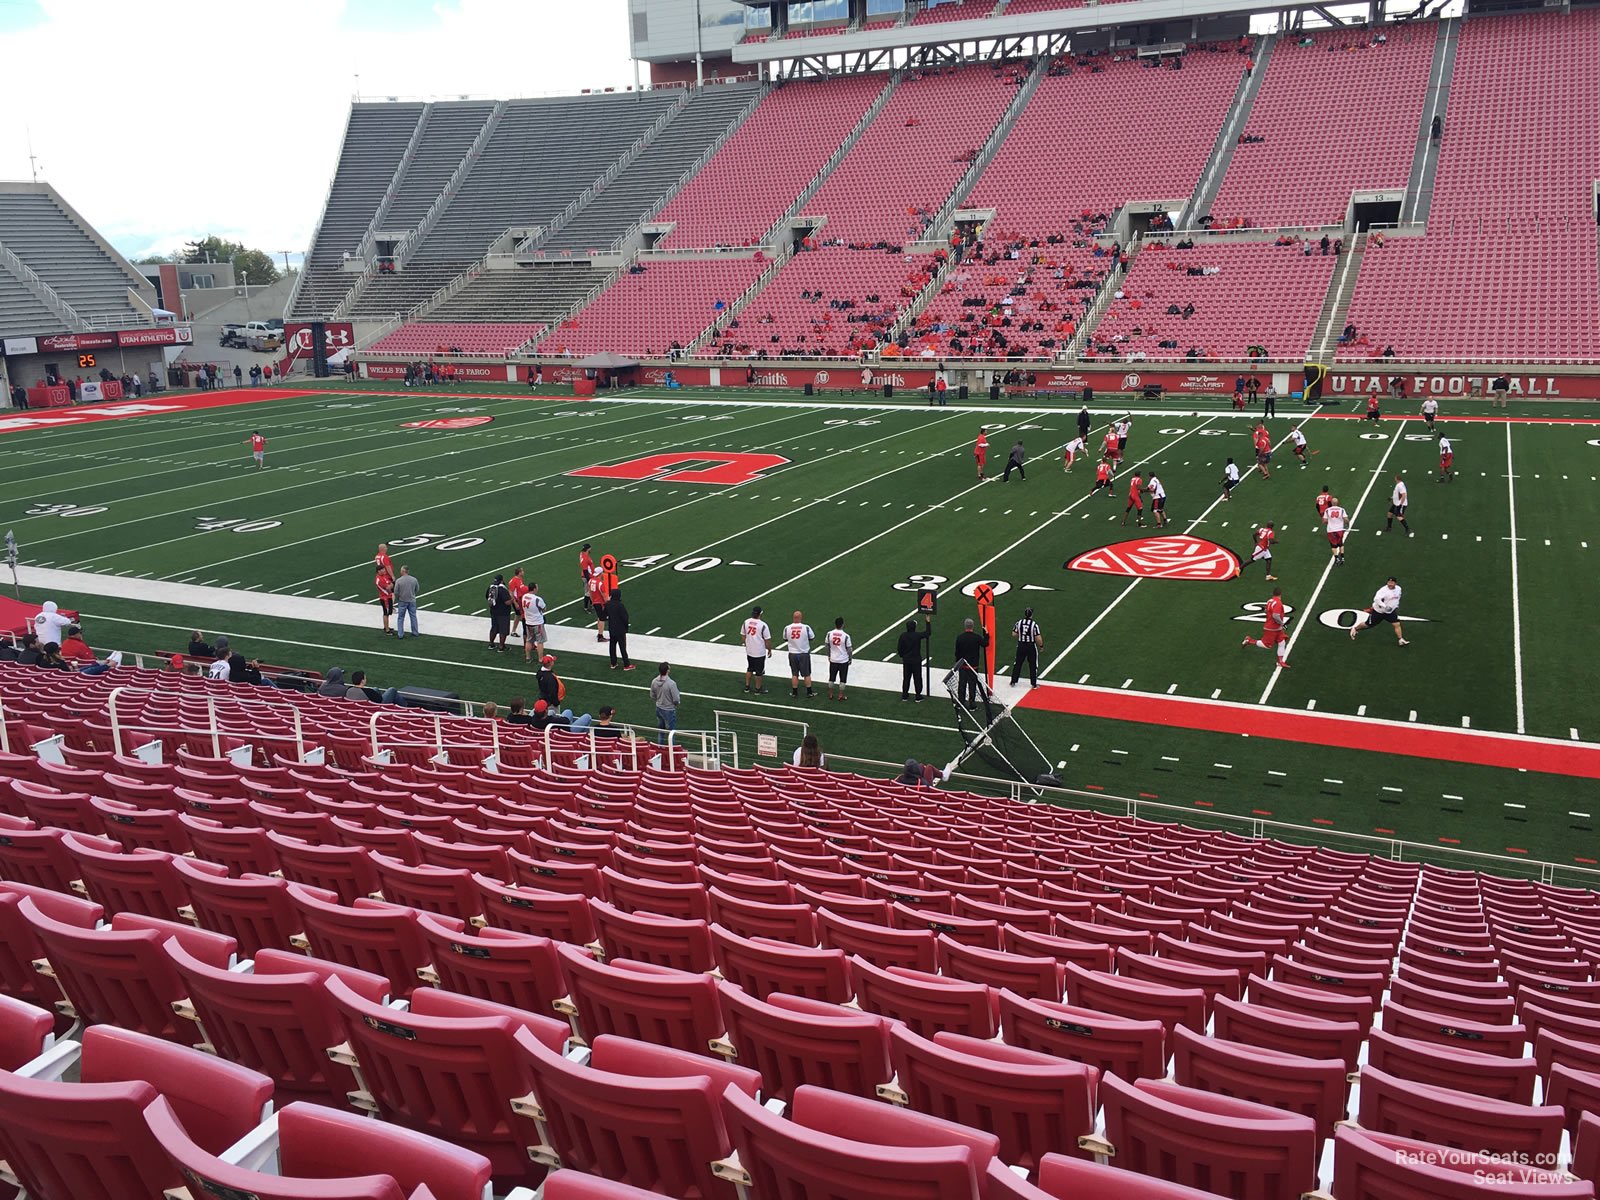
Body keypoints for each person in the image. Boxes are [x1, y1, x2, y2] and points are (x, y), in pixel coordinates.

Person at [1241, 586, 1291, 669]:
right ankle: (1249, 640)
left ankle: (1280, 661)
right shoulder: (1278, 603)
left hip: (1276, 628)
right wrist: (1282, 624)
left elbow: (1265, 610)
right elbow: (1275, 616)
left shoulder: (1270, 601)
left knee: (1282, 642)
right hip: (1272, 628)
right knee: (1267, 645)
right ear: (1281, 594)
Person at [1351, 575, 1409, 646]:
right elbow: (1376, 599)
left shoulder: (1398, 589)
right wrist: (1385, 606)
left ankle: (1400, 639)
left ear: (1395, 583)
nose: (1390, 584)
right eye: (1389, 582)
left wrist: (1395, 605)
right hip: (1379, 612)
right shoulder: (1383, 591)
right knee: (1368, 624)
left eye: (1392, 583)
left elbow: (1397, 598)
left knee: (1396, 624)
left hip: (1389, 612)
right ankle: (1355, 628)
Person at [953, 617, 989, 709]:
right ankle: (972, 704)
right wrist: (986, 634)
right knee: (972, 685)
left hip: (963, 665)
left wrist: (958, 663)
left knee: (962, 685)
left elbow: (957, 652)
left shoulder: (960, 637)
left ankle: (960, 703)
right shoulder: (976, 637)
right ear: (972, 626)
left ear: (965, 626)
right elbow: (985, 644)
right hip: (973, 666)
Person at [784, 611, 817, 698]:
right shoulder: (806, 627)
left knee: (794, 674)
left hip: (792, 653)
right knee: (806, 674)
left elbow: (785, 638)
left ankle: (794, 693)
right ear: (800, 617)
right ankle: (809, 692)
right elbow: (812, 637)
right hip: (803, 653)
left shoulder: (787, 628)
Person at [1009, 607, 1043, 688]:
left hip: (1021, 645)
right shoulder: (1034, 625)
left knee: (1017, 663)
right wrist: (1041, 646)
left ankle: (1013, 681)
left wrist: (1021, 635)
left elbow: (1014, 634)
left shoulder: (1019, 622)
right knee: (1033, 664)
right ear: (1031, 615)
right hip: (1030, 646)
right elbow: (1038, 637)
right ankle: (1033, 683)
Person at [897, 618, 929, 701]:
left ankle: (905, 695)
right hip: (916, 660)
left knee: (906, 678)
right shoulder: (917, 635)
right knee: (917, 678)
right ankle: (918, 696)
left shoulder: (903, 635)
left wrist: (903, 656)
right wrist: (928, 622)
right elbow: (928, 633)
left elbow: (899, 648)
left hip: (906, 660)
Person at [741, 605, 772, 694]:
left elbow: (743, 635)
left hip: (750, 650)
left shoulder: (746, 622)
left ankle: (747, 687)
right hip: (759, 652)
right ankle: (757, 689)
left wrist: (746, 644)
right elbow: (767, 640)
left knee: (750, 668)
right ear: (760, 614)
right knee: (759, 671)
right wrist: (769, 650)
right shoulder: (763, 625)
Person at [651, 661, 681, 745]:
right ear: (667, 671)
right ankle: (673, 751)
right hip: (669, 710)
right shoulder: (671, 684)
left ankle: (659, 747)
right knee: (672, 733)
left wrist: (659, 700)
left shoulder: (654, 681)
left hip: (659, 708)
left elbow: (652, 695)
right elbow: (676, 699)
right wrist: (674, 704)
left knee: (661, 730)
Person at [824, 617, 852, 702]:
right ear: (843, 624)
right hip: (843, 660)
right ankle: (840, 695)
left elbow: (827, 645)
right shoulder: (846, 636)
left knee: (832, 677)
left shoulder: (829, 634)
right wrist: (850, 659)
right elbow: (849, 649)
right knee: (842, 679)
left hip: (833, 659)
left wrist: (829, 655)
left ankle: (830, 693)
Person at [606, 587, 633, 670]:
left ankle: (613, 663)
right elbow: (625, 617)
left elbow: (605, 614)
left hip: (612, 628)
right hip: (620, 629)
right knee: (622, 647)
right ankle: (626, 664)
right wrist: (626, 627)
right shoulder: (620, 605)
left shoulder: (608, 604)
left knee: (612, 646)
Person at [521, 581, 547, 662]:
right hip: (537, 622)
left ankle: (528, 657)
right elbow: (544, 608)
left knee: (529, 640)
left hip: (528, 622)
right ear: (534, 589)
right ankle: (540, 658)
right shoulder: (537, 599)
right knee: (540, 641)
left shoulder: (524, 596)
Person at [393, 565, 420, 638]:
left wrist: (399, 597)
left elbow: (396, 592)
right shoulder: (414, 579)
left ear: (403, 571)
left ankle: (400, 634)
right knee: (413, 616)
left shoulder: (399, 580)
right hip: (412, 600)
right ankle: (415, 632)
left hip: (402, 601)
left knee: (401, 618)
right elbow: (417, 589)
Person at [1323, 494, 1348, 566]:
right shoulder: (1342, 509)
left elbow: (1324, 521)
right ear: (1337, 503)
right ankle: (1342, 558)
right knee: (1341, 543)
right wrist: (1347, 524)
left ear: (1331, 503)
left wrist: (1330, 522)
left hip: (1331, 530)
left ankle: (1336, 558)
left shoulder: (1327, 510)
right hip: (1340, 529)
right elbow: (1346, 519)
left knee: (1333, 545)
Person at [586, 568, 610, 642]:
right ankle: (600, 636)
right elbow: (605, 597)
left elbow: (589, 592)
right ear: (600, 574)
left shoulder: (590, 581)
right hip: (600, 603)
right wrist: (609, 601)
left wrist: (593, 601)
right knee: (602, 619)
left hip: (595, 602)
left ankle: (599, 633)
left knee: (599, 618)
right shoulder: (600, 583)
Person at [507, 567, 528, 637]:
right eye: (522, 571)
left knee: (518, 615)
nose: (523, 572)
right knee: (521, 615)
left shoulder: (518, 580)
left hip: (518, 600)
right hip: (516, 600)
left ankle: (513, 631)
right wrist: (515, 603)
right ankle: (524, 631)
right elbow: (511, 592)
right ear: (519, 573)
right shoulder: (514, 581)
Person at [376, 564, 395, 636]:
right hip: (385, 598)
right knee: (386, 613)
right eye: (383, 569)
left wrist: (390, 585)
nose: (384, 570)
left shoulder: (383, 576)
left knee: (388, 613)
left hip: (387, 597)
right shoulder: (379, 579)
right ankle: (386, 629)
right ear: (379, 571)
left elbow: (390, 584)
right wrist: (391, 584)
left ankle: (387, 627)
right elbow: (388, 587)